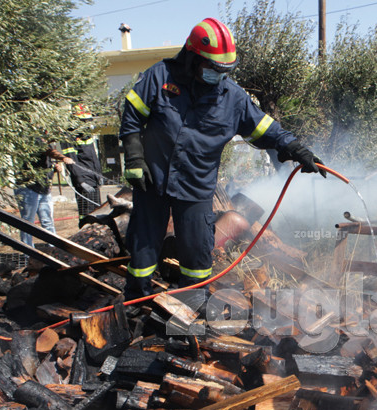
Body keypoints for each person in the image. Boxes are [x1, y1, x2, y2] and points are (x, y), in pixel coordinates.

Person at [119, 18, 325, 298]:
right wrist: (133, 158)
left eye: (225, 69)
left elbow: (267, 129)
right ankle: (135, 303)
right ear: (192, 59)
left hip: (195, 188)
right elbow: (132, 115)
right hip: (152, 181)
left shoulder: (233, 99)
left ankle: (188, 312)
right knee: (143, 249)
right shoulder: (159, 77)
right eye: (213, 68)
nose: (219, 74)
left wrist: (297, 149)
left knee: (197, 255)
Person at [14, 136, 74, 248]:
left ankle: (53, 247)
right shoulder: (34, 141)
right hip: (28, 189)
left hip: (43, 190)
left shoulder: (48, 145)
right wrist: (63, 158)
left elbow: (44, 168)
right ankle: (28, 251)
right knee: (28, 222)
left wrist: (54, 170)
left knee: (48, 220)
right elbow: (47, 151)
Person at [62, 105, 102, 219]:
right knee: (86, 213)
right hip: (84, 181)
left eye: (87, 121)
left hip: (94, 179)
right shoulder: (69, 137)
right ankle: (85, 233)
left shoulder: (87, 136)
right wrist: (80, 181)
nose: (86, 124)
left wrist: (99, 175)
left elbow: (94, 157)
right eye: (83, 121)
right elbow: (71, 161)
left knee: (97, 211)